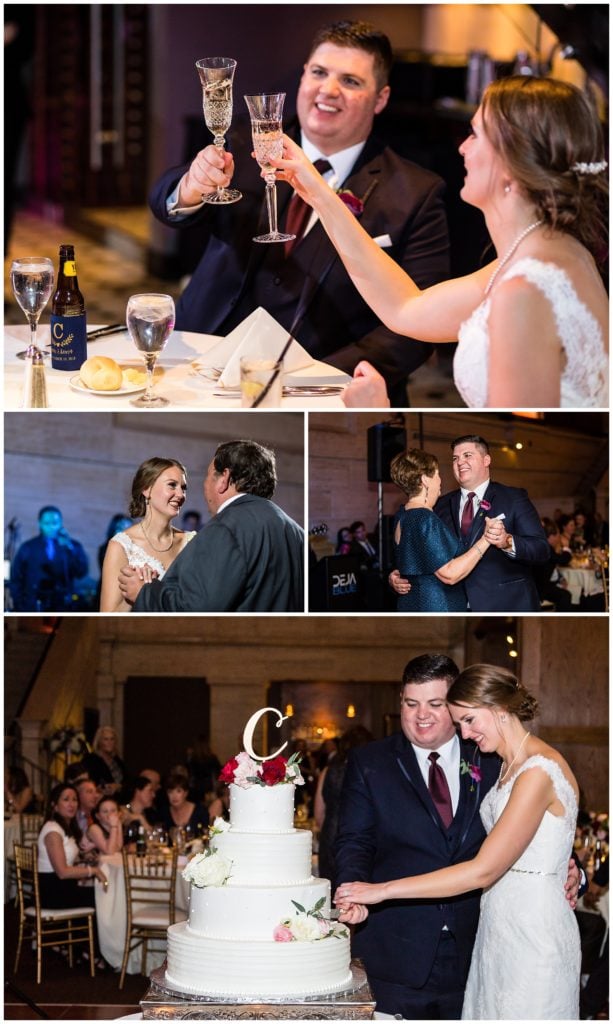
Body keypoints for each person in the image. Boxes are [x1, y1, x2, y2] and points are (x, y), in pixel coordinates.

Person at [149, 20, 451, 406]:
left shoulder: (415, 193)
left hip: (315, 386)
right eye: (319, 73)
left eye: (351, 81)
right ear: (303, 76)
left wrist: (316, 378)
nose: (328, 90)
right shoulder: (244, 141)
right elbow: (164, 201)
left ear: (381, 98)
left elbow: (417, 326)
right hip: (203, 361)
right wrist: (190, 188)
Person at [273, 74, 608, 408]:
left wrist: (375, 413)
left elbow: (517, 438)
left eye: (475, 134)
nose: (462, 147)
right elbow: (405, 308)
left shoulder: (523, 291)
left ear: (510, 164)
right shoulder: (554, 253)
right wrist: (318, 192)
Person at [336, 663, 581, 1020]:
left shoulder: (512, 763)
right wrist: (355, 893)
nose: (465, 734)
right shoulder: (371, 762)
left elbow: (503, 859)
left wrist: (569, 872)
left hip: (514, 932)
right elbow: (353, 841)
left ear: (495, 709)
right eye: (410, 703)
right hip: (418, 945)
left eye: (441, 707)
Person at [119, 440, 305, 612]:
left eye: (208, 476)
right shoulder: (297, 532)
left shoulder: (226, 528)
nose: (204, 485)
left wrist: (144, 594)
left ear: (224, 479)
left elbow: (198, 609)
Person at [390, 435, 549, 611]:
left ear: (486, 460)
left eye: (467, 455)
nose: (460, 462)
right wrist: (401, 574)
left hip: (504, 605)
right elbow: (422, 549)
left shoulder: (513, 498)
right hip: (450, 606)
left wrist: (507, 541)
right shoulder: (438, 506)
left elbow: (541, 549)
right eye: (455, 458)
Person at [389, 448, 505, 611]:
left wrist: (393, 576)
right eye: (437, 475)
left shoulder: (402, 515)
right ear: (425, 480)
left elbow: (413, 564)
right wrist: (486, 539)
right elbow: (449, 574)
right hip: (437, 607)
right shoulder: (424, 518)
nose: (440, 481)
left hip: (412, 605)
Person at [99, 458, 196, 612]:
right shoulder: (122, 545)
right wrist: (138, 594)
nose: (180, 494)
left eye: (183, 488)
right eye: (172, 485)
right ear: (147, 489)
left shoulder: (192, 541)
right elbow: (108, 616)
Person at [314, 725, 373, 891]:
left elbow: (319, 813)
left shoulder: (328, 770)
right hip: (363, 840)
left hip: (330, 836)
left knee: (330, 891)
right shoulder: (372, 772)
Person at [37, 783, 107, 909]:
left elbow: (67, 859)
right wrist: (93, 871)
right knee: (105, 896)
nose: (72, 804)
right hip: (53, 893)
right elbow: (62, 872)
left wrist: (85, 858)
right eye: (66, 799)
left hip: (63, 888)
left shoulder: (63, 827)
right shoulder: (53, 831)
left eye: (74, 799)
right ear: (54, 806)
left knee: (104, 893)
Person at [10, 506, 88, 612]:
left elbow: (81, 572)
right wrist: (19, 605)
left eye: (55, 523)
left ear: (61, 523)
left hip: (62, 605)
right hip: (33, 604)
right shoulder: (28, 547)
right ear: (40, 524)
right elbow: (16, 578)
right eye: (47, 523)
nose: (51, 527)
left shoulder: (72, 546)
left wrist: (70, 548)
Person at [534, 517, 573, 611]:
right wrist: (566, 546)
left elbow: (552, 566)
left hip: (542, 585)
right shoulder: (546, 548)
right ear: (551, 536)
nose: (559, 538)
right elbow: (563, 560)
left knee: (567, 592)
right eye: (558, 535)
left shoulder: (544, 547)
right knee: (566, 595)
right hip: (539, 589)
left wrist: (560, 578)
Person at [160, 773, 209, 839]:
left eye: (178, 791)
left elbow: (207, 836)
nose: (174, 796)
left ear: (186, 793)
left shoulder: (200, 811)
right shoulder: (164, 813)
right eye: (170, 792)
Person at [81, 726, 127, 795]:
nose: (109, 742)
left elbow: (128, 781)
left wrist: (118, 786)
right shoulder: (90, 760)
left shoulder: (118, 760)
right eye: (106, 739)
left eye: (112, 739)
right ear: (99, 741)